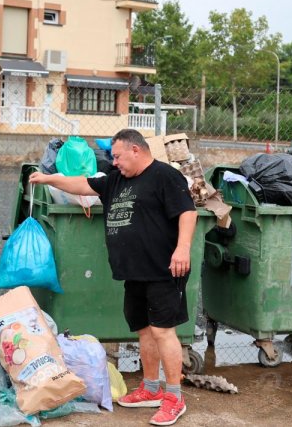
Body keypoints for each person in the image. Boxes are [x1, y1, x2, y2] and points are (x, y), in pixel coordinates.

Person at [29, 128, 196, 426]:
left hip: (163, 269)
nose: (114, 162)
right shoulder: (116, 180)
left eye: (118, 156)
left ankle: (174, 397)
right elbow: (82, 184)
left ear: (136, 150)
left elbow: (187, 212)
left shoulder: (164, 176)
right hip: (133, 271)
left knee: (162, 331)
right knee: (144, 331)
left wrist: (182, 249)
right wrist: (48, 178)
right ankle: (150, 388)